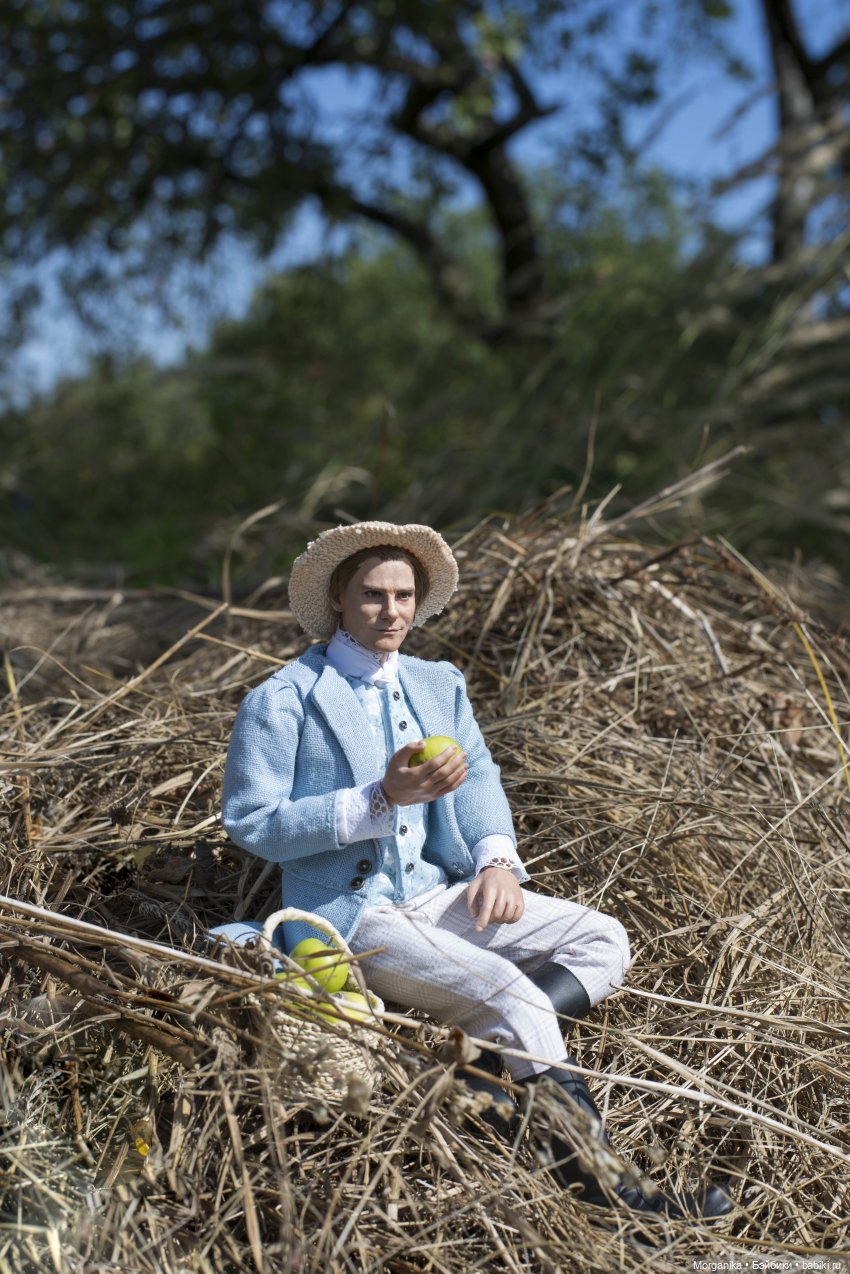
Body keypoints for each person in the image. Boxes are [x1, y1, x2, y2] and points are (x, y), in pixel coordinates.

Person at [219, 521, 731, 1219]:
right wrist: (375, 800)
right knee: (514, 995)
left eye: (404, 596)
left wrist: (496, 860)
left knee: (603, 938)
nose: (392, 611)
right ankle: (611, 1193)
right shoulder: (284, 698)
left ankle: (489, 1068)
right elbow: (252, 821)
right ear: (338, 598)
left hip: (440, 894)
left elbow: (480, 773)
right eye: (373, 595)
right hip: (357, 914)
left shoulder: (437, 684)